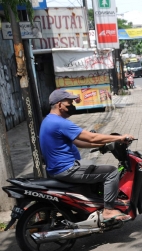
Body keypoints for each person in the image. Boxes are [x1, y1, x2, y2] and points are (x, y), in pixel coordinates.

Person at [39, 89, 135, 222]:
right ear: (60, 104)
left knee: (93, 168)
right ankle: (108, 210)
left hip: (56, 169)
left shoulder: (48, 121)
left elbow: (79, 142)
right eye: (69, 103)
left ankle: (92, 209)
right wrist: (118, 138)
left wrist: (101, 145)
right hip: (67, 169)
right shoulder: (60, 123)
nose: (72, 105)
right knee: (111, 172)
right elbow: (91, 137)